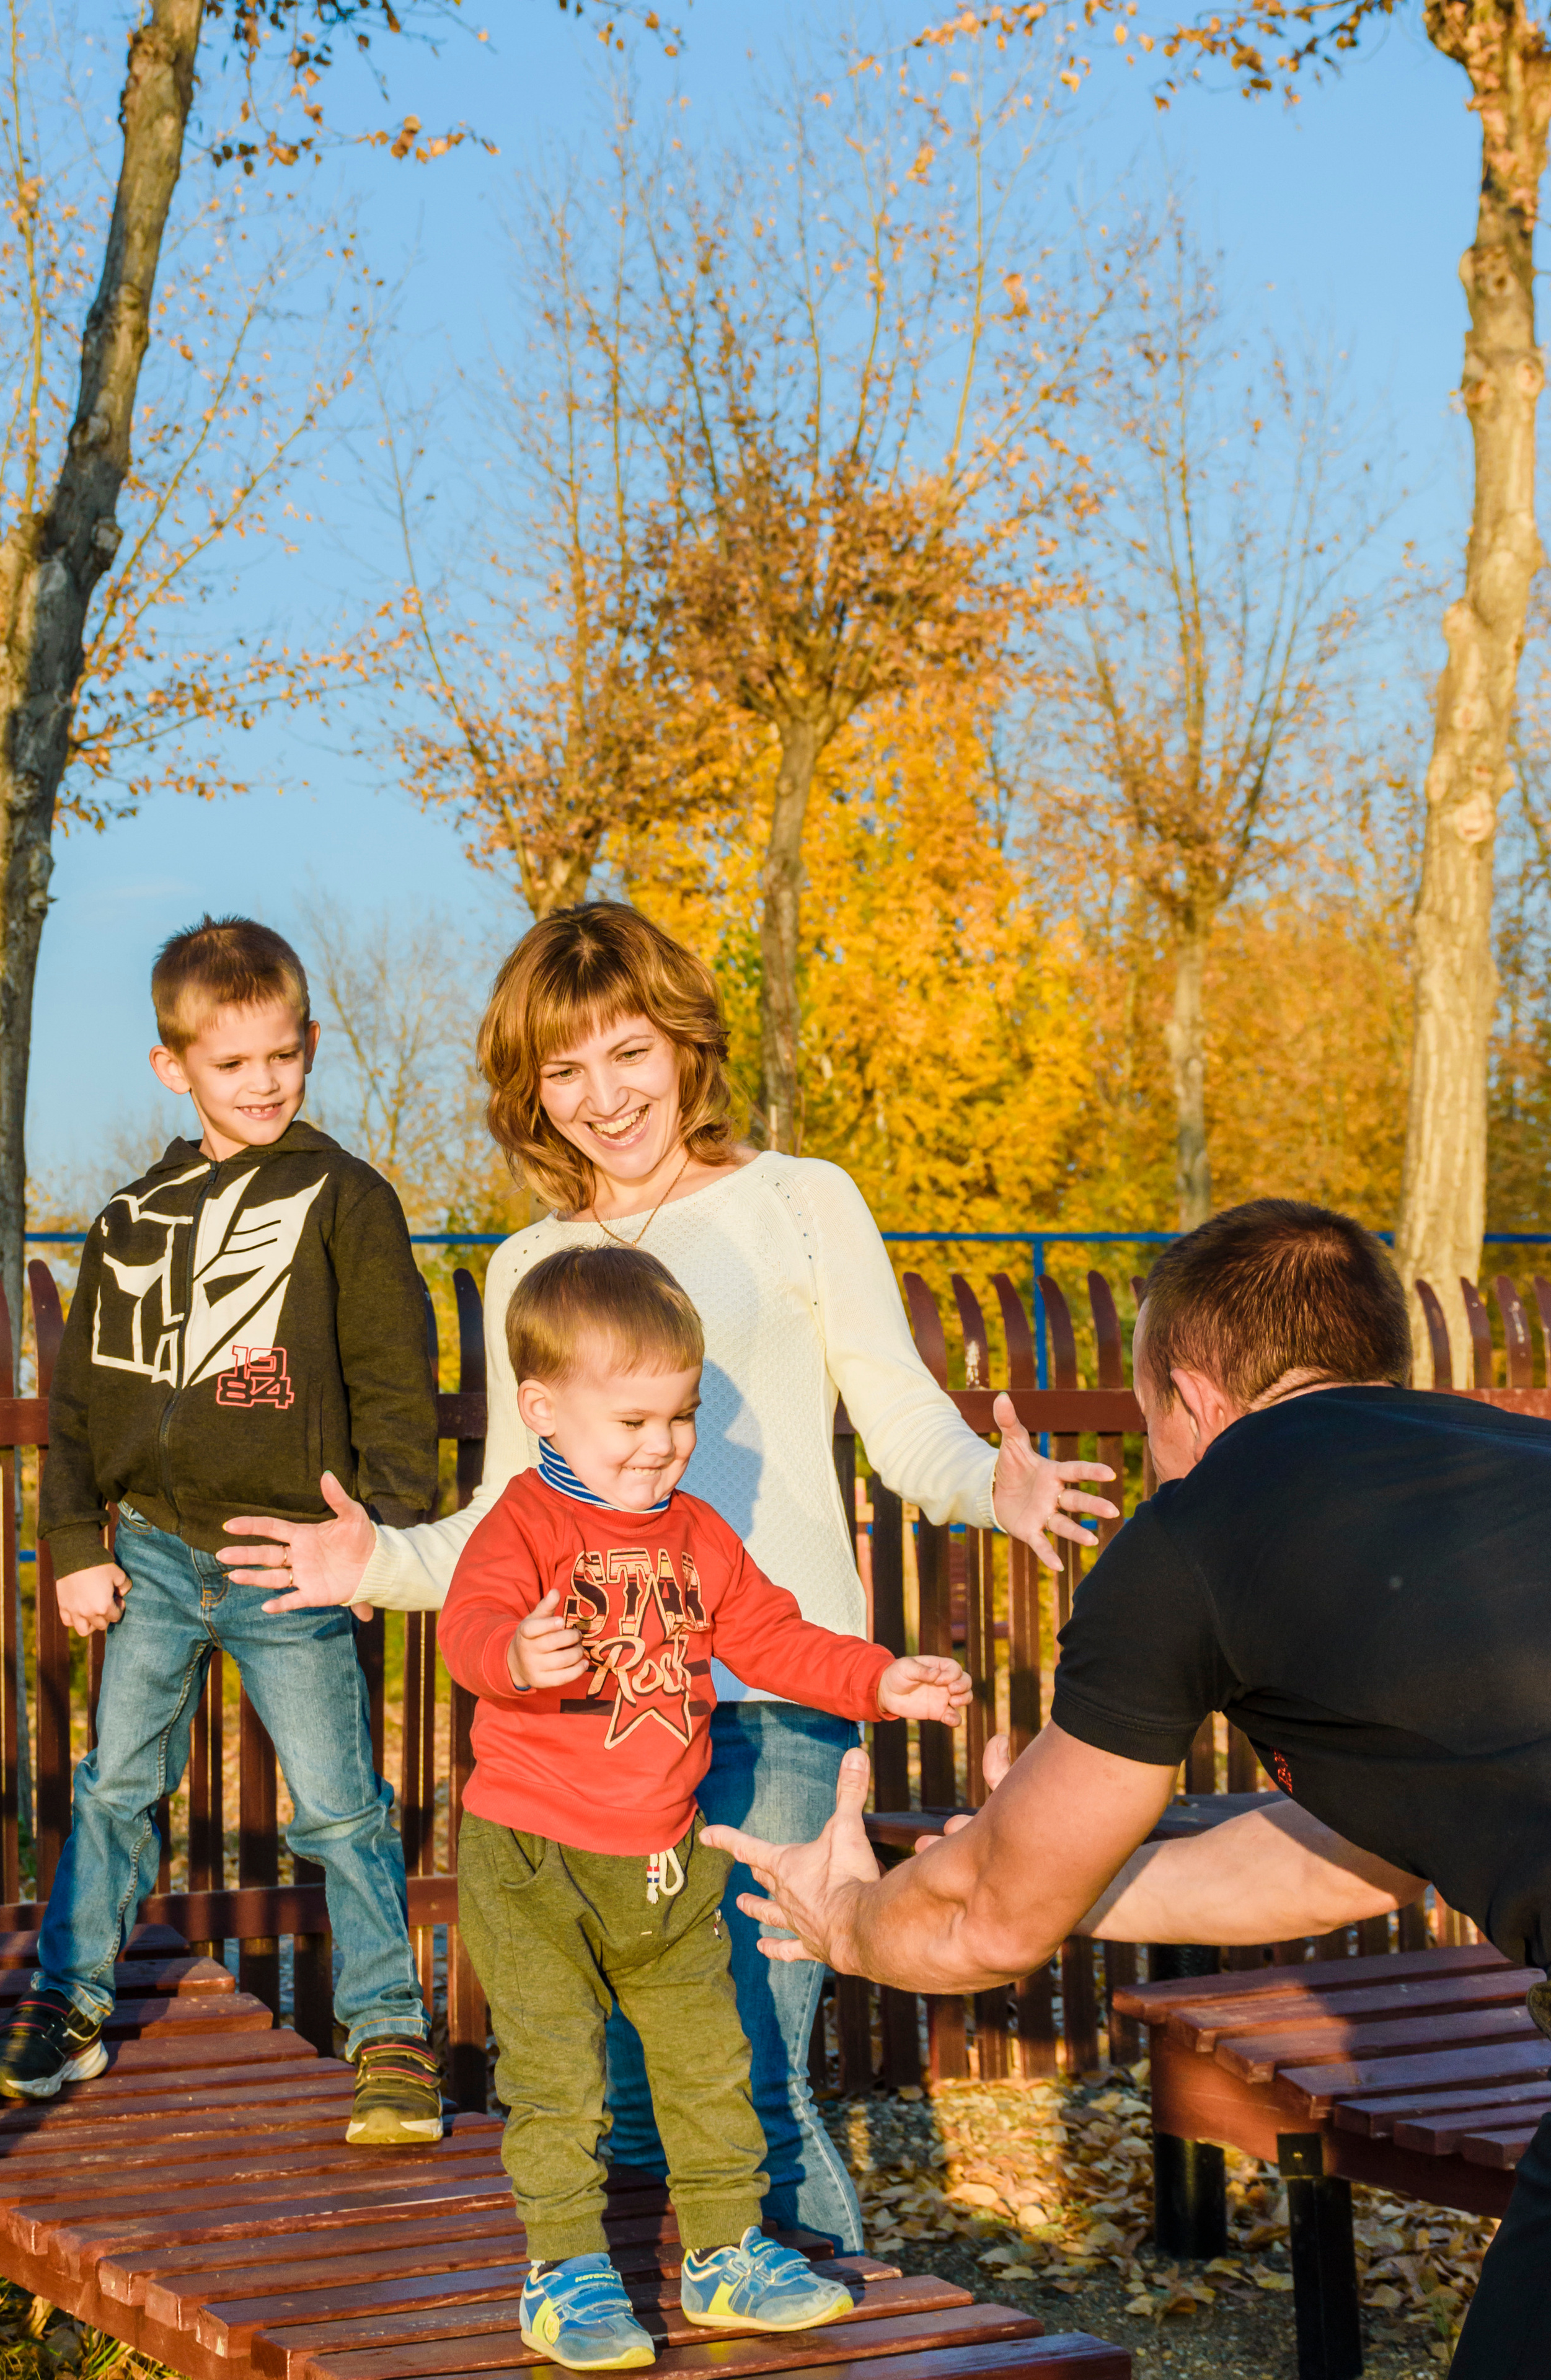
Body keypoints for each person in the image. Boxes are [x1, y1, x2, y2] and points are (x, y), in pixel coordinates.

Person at [219, 900, 1117, 2251]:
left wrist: (992, 1486)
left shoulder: (797, 1202)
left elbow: (900, 1415)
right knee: (634, 2095)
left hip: (772, 1698)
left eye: (624, 1053)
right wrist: (381, 1561)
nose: (600, 1097)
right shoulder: (530, 1264)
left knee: (746, 2074)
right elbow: (515, 1524)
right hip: (605, 1735)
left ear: (681, 1045)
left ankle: (813, 2327)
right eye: (562, 1072)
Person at [707, 1196, 1551, 2379]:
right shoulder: (1522, 1463)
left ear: (1195, 1394)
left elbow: (985, 1923)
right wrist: (1069, 1875)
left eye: (1148, 1421)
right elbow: (1337, 1857)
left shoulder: (1200, 1524)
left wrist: (845, 1918)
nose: (1157, 1457)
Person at [443, 1243, 970, 2371]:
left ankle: (726, 2253)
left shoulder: (694, 1534)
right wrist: (516, 1655)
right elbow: (466, 1629)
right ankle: (566, 2270)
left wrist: (878, 1679)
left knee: (709, 2062)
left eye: (679, 1418)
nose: (664, 1445)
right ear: (542, 1408)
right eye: (633, 1421)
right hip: (532, 1858)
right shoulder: (526, 1524)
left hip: (664, 1856)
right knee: (556, 2074)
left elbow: (773, 1636)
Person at [1, 915, 443, 2146]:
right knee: (113, 1787)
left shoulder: (346, 1199)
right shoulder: (127, 1223)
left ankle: (389, 2030)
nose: (261, 1084)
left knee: (338, 1806)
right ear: (173, 1067)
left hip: (290, 1558)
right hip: (148, 1554)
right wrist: (78, 1543)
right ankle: (68, 2007)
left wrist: (385, 1537)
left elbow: (396, 1384)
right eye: (231, 1063)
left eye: (280, 1058)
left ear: (309, 1047)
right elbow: (80, 1408)